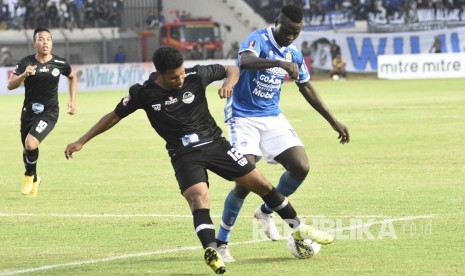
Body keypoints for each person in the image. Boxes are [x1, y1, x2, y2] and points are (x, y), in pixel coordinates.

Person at [64, 46, 334, 274]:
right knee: (198, 197)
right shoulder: (142, 92)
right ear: (159, 74)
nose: (180, 80)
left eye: (181, 73)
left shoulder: (195, 75)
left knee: (260, 184)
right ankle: (211, 249)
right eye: (173, 77)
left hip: (215, 144)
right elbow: (113, 116)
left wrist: (228, 84)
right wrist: (82, 140)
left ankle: (299, 229)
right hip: (183, 153)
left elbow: (232, 67)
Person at [216, 4, 350, 262]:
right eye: (287, 30)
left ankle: (266, 211)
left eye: (296, 32)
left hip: (272, 117)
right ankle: (221, 243)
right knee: (245, 180)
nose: (290, 36)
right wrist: (279, 62)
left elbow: (307, 88)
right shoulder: (258, 40)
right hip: (242, 117)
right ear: (277, 21)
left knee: (300, 166)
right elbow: (244, 60)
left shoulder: (294, 54)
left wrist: (333, 121)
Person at [7, 26, 77, 197]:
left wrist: (72, 100)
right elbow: (10, 85)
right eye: (41, 39)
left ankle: (29, 175)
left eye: (48, 39)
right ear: (34, 43)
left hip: (49, 113)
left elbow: (73, 77)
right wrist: (24, 75)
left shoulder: (60, 63)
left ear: (51, 43)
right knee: (27, 149)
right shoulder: (26, 62)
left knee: (31, 143)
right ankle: (36, 178)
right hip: (28, 112)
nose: (45, 42)